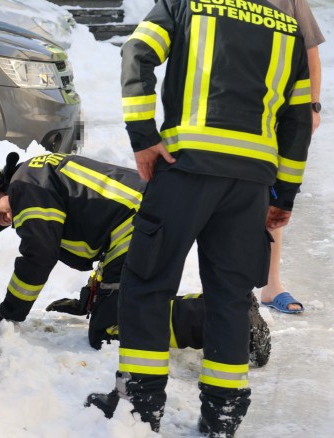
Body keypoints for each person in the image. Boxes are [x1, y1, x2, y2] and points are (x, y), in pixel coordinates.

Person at [85, 1, 312, 437]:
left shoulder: (184, 3)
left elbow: (137, 53)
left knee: (149, 284)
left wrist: (144, 138)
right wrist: (285, 192)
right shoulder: (287, 26)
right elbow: (297, 118)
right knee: (229, 298)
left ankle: (139, 405)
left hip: (186, 169)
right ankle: (223, 417)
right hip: (250, 184)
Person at [0, 152, 271, 367]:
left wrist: (10, 310)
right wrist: (90, 299)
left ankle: (229, 319)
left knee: (115, 326)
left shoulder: (25, 186)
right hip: (144, 218)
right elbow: (100, 229)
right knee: (117, 313)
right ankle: (226, 311)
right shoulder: (36, 174)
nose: (2, 219)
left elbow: (40, 253)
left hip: (141, 223)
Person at [261, 0, 325, 314]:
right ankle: (217, 287)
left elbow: (311, 50)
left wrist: (313, 105)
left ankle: (272, 286)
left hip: (281, 116)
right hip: (232, 114)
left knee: (275, 197)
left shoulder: (289, 0)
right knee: (222, 201)